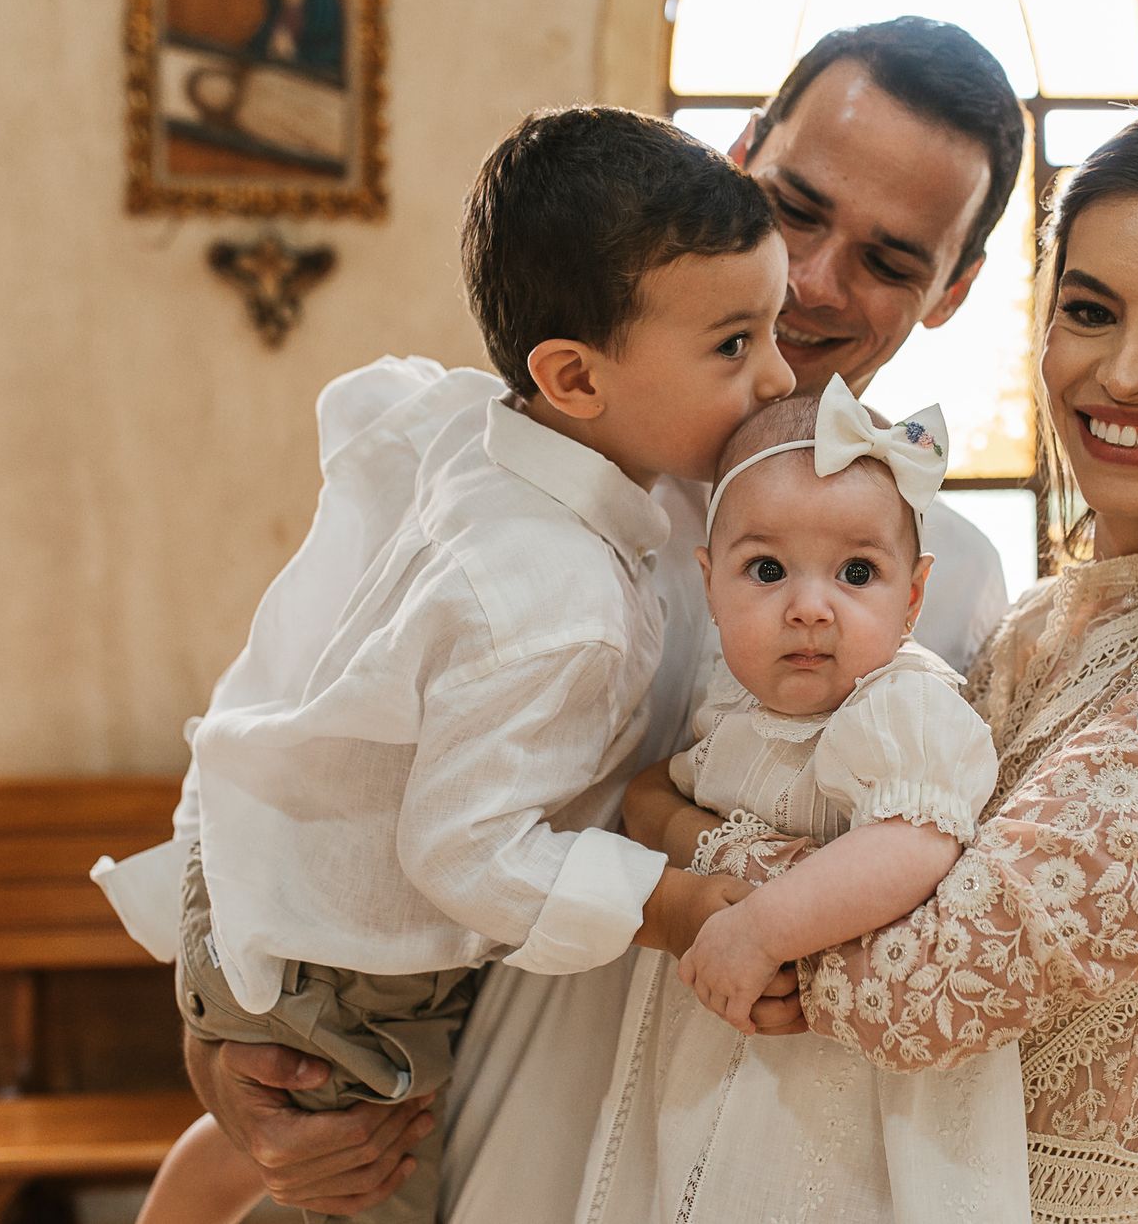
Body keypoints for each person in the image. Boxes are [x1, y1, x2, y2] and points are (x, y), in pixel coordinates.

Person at [153, 21, 1138, 1224]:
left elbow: (1006, 893)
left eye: (895, 260)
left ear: (955, 289)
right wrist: (223, 1054)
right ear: (737, 158)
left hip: (746, 1144)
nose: (816, 279)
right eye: (796, 206)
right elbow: (278, 730)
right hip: (486, 1095)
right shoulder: (530, 458)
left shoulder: (943, 577)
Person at [642, 96, 1138, 1222]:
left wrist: (671, 838)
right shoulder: (1042, 621)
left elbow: (922, 987)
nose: (1127, 371)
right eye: (1090, 309)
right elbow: (880, 859)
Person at [106, 104, 795, 1224]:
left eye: (775, 325)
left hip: (289, 888)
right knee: (373, 1191)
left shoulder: (481, 431)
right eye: (734, 343)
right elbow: (459, 848)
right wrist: (668, 905)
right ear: (573, 377)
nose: (773, 375)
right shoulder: (554, 595)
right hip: (345, 968)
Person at [582, 381, 1029, 1222]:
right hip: (721, 1048)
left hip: (845, 1092)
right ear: (711, 586)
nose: (810, 606)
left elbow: (914, 841)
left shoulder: (901, 705)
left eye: (857, 571)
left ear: (914, 596)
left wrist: (758, 928)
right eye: (767, 569)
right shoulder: (733, 709)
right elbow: (659, 799)